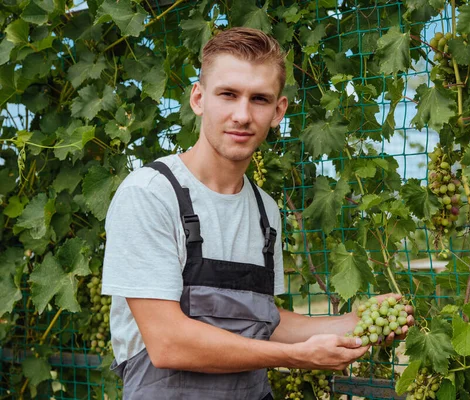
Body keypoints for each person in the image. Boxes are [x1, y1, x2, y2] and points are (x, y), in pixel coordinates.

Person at [101, 27, 412, 399]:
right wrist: (296, 357)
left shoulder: (265, 211)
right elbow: (168, 343)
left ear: (278, 110)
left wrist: (352, 322)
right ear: (199, 98)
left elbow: (262, 322)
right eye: (228, 95)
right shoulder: (151, 194)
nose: (243, 115)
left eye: (260, 99)